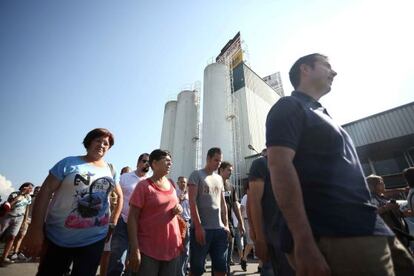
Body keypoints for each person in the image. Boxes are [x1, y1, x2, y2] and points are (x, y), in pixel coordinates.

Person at [266, 53, 414, 275]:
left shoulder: (322, 114)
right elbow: (280, 167)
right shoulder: (289, 106)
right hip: (334, 233)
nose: (334, 72)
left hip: (372, 227)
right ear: (305, 69)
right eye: (326, 66)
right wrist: (302, 240)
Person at [23, 128, 124, 276]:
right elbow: (45, 192)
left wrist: (112, 222)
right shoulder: (68, 163)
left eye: (106, 143)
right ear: (89, 142)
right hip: (58, 237)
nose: (102, 145)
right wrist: (36, 228)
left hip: (95, 238)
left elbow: (119, 196)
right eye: (98, 140)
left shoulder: (111, 170)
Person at [127, 149, 183, 275]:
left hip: (172, 247)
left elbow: (174, 204)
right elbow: (132, 218)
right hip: (148, 250)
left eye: (171, 161)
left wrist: (179, 208)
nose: (170, 163)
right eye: (166, 160)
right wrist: (134, 248)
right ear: (154, 163)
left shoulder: (172, 184)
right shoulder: (143, 186)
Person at [248, 149, 294, 276]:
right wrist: (258, 237)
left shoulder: (292, 163)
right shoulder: (261, 164)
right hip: (274, 238)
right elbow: (253, 201)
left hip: (293, 237)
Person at [188, 147, 229, 276]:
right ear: (208, 159)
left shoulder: (219, 179)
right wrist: (198, 227)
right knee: (197, 269)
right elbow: (192, 202)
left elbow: (223, 204)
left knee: (221, 268)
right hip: (202, 230)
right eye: (216, 160)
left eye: (220, 161)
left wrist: (226, 225)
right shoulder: (196, 175)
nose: (218, 163)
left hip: (219, 230)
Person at [108, 154, 150, 276]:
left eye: (149, 162)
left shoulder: (149, 182)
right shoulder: (125, 177)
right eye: (144, 161)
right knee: (117, 256)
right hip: (122, 221)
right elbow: (114, 193)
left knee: (134, 259)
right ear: (138, 163)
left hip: (139, 225)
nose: (147, 164)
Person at [100, 166, 133, 276]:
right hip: (111, 221)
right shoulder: (113, 187)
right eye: (124, 174)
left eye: (128, 173)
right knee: (109, 253)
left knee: (118, 254)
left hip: (122, 222)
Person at [218, 161, 244, 275]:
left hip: (229, 225)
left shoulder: (231, 186)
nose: (230, 173)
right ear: (221, 170)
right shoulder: (212, 184)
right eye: (228, 170)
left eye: (231, 171)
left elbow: (235, 206)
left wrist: (241, 222)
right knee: (218, 259)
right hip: (215, 225)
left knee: (228, 258)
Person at [0, 182, 33, 266]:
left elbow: (27, 209)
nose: (31, 190)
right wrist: (19, 196)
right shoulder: (14, 194)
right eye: (30, 188)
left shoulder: (29, 197)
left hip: (19, 218)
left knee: (12, 236)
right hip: (8, 216)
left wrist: (24, 221)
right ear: (24, 187)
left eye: (31, 188)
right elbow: (8, 205)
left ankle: (4, 257)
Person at [9, 186, 41, 262]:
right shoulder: (29, 198)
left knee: (26, 236)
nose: (36, 191)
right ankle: (15, 252)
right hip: (26, 219)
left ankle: (20, 251)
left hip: (34, 221)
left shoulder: (42, 199)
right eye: (35, 190)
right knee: (21, 235)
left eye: (38, 190)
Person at [176, 176, 191, 276]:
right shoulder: (174, 193)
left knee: (186, 250)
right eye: (181, 182)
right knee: (177, 250)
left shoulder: (190, 195)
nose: (183, 184)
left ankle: (183, 271)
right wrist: (179, 199)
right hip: (177, 223)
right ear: (177, 183)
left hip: (187, 223)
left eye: (185, 182)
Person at [240, 190, 254, 272]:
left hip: (256, 220)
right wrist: (240, 223)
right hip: (247, 220)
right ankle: (244, 258)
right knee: (251, 242)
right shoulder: (246, 196)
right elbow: (241, 209)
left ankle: (260, 266)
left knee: (259, 241)